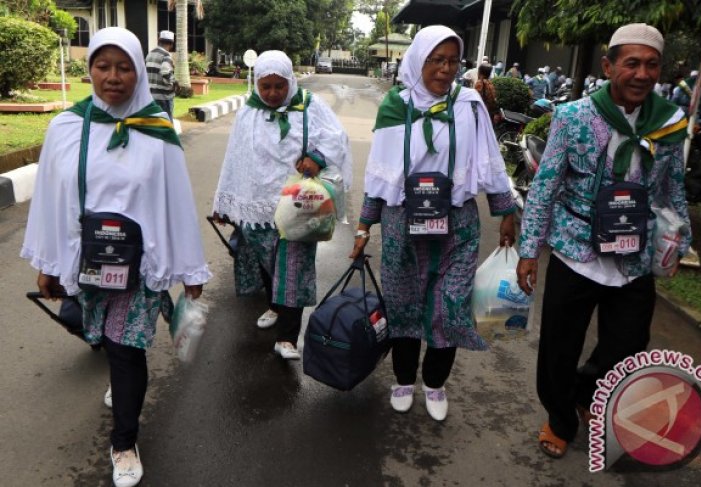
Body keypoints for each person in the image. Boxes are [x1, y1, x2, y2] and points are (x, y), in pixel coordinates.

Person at [21, 27, 211, 487]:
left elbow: (175, 203)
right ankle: (120, 385)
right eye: (103, 66)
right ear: (90, 71)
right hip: (86, 263)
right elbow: (50, 198)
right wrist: (47, 265)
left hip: (138, 270)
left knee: (127, 351)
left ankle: (124, 442)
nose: (113, 77)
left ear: (138, 72)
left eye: (124, 67)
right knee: (103, 338)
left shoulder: (156, 129)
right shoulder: (66, 128)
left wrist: (189, 269)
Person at [516, 23, 691, 459]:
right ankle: (560, 418)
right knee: (559, 345)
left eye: (651, 65)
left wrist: (678, 239)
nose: (642, 74)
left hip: (634, 254)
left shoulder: (668, 123)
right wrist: (528, 250)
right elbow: (545, 185)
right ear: (609, 65)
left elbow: (673, 189)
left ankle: (586, 388)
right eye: (631, 63)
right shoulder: (573, 116)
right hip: (576, 251)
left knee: (627, 344)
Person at [350, 25, 517, 422]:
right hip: (401, 227)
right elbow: (379, 175)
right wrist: (362, 227)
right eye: (435, 60)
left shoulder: (470, 103)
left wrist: (505, 212)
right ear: (417, 61)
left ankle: (436, 384)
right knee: (403, 306)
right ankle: (404, 380)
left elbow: (490, 161)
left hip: (456, 226)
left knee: (449, 307)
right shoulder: (394, 105)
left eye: (452, 61)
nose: (445, 69)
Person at [212, 50, 352, 360]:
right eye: (266, 87)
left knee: (294, 269)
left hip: (299, 205)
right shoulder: (247, 112)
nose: (273, 93)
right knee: (266, 260)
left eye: (279, 86)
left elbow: (336, 139)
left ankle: (287, 338)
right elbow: (234, 159)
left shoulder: (309, 106)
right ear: (257, 85)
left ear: (289, 81)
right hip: (257, 204)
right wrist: (224, 202)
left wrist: (316, 159)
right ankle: (274, 305)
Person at [145, 30, 176, 120]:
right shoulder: (166, 56)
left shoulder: (150, 54)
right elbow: (165, 72)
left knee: (154, 122)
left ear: (159, 40)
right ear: (171, 44)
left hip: (151, 95)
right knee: (166, 122)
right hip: (164, 97)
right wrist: (174, 82)